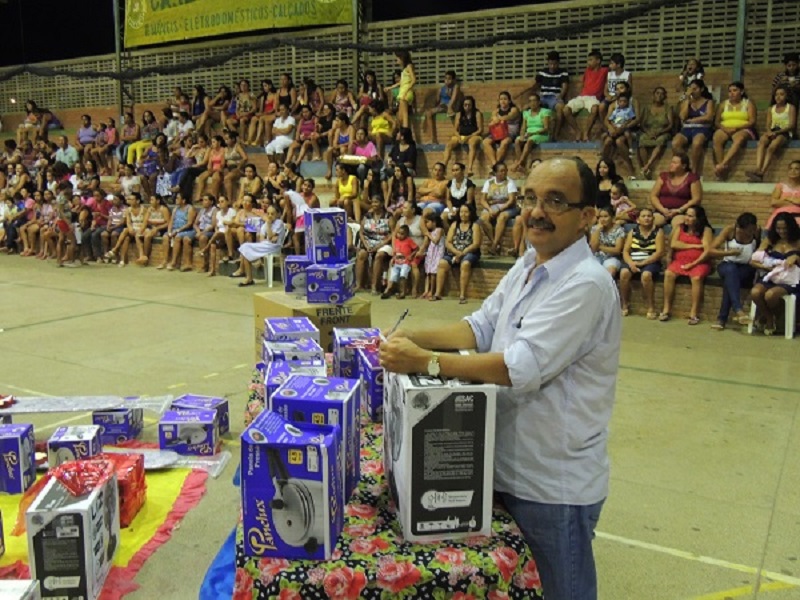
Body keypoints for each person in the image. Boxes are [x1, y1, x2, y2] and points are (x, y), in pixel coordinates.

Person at [380, 157, 620, 600]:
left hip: (552, 487)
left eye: (555, 201)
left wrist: (426, 362)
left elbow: (518, 366)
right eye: (530, 198)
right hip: (505, 469)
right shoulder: (531, 262)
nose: (536, 211)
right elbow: (480, 326)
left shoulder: (585, 284)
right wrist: (408, 335)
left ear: (587, 216)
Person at [659, 205, 714, 324]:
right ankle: (666, 309)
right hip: (680, 261)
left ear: (698, 218)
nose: (686, 218)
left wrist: (693, 263)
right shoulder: (680, 228)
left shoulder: (706, 230)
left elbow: (706, 250)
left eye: (690, 216)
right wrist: (695, 245)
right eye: (686, 215)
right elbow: (674, 244)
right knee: (668, 273)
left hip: (699, 262)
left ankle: (694, 313)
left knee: (696, 278)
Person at [749, 212, 800, 336]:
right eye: (778, 228)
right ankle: (769, 317)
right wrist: (767, 267)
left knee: (770, 296)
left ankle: (771, 318)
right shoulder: (770, 240)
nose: (781, 231)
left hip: (789, 279)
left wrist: (796, 257)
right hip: (771, 276)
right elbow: (753, 261)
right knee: (755, 292)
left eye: (784, 228)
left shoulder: (798, 241)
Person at [709, 212, 759, 330]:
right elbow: (710, 250)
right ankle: (738, 310)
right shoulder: (730, 231)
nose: (748, 233)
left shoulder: (756, 231)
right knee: (731, 272)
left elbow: (759, 250)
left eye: (751, 230)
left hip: (746, 267)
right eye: (745, 230)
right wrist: (729, 253)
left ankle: (722, 319)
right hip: (727, 264)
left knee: (730, 281)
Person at [619, 207, 664, 318]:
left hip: (651, 262)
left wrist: (643, 263)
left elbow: (659, 252)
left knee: (646, 275)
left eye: (649, 216)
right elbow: (625, 251)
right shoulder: (633, 231)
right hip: (633, 261)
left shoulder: (658, 232)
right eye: (643, 216)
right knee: (624, 273)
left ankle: (651, 307)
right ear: (638, 220)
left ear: (653, 219)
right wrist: (631, 263)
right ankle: (625, 304)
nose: (646, 218)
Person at [433, 203, 482, 303]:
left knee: (465, 264)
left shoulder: (475, 226)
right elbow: (448, 242)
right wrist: (456, 252)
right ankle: (437, 293)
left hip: (469, 251)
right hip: (454, 251)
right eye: (461, 212)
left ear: (470, 213)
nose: (463, 214)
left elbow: (476, 243)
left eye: (466, 212)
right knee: (442, 263)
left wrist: (462, 253)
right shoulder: (454, 225)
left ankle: (462, 295)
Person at [747, 85, 796, 182]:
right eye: (776, 94)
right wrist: (769, 132)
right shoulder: (771, 108)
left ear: (786, 96)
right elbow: (768, 124)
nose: (778, 97)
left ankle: (762, 173)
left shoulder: (790, 107)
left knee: (771, 147)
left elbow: (791, 125)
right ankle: (757, 168)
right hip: (773, 131)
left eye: (781, 94)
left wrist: (777, 132)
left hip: (784, 132)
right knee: (761, 142)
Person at [712, 81, 757, 180]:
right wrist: (725, 129)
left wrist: (737, 128)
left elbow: (752, 121)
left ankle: (723, 165)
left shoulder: (748, 103)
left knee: (739, 139)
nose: (731, 93)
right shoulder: (723, 104)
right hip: (725, 128)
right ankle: (722, 167)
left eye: (735, 90)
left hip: (743, 128)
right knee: (717, 138)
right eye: (730, 91)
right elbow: (717, 122)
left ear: (741, 91)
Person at [562, 50, 609, 142]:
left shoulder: (605, 71)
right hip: (582, 97)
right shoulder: (587, 71)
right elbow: (583, 84)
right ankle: (578, 132)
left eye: (591, 60)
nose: (588, 62)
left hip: (594, 98)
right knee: (566, 110)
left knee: (595, 109)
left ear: (598, 61)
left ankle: (586, 133)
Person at [235, 205, 286, 287]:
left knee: (246, 247)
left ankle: (250, 275)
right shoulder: (265, 224)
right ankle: (249, 278)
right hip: (266, 245)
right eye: (268, 213)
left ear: (277, 214)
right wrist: (270, 237)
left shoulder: (279, 223)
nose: (269, 216)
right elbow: (262, 239)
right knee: (245, 248)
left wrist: (269, 227)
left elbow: (270, 237)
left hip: (274, 247)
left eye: (272, 214)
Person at [671, 80, 715, 174]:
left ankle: (694, 170)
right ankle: (685, 166)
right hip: (687, 128)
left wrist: (693, 120)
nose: (692, 91)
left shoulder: (708, 102)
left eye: (695, 89)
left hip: (702, 128)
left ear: (701, 89)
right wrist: (687, 100)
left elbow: (709, 117)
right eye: (691, 89)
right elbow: (682, 116)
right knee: (675, 143)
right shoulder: (687, 102)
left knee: (697, 143)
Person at [649, 152, 702, 228]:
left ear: (683, 166)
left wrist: (679, 210)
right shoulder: (663, 176)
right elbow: (653, 195)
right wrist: (663, 210)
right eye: (671, 162)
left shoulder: (692, 178)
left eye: (675, 163)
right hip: (662, 211)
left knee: (678, 224)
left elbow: (696, 199)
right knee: (652, 221)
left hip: (682, 212)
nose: (671, 164)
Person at [355, 196, 395, 293]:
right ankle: (359, 285)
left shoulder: (388, 216)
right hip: (368, 242)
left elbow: (393, 233)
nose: (374, 204)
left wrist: (379, 246)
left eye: (376, 202)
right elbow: (361, 232)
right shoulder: (367, 216)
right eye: (372, 202)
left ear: (381, 204)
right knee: (361, 254)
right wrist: (366, 244)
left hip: (384, 243)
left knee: (379, 255)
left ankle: (374, 286)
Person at [479, 162, 518, 256]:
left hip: (508, 207)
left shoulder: (510, 182)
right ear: (495, 173)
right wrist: (489, 209)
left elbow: (511, 200)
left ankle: (494, 246)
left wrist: (499, 209)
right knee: (483, 219)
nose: (504, 173)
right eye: (501, 171)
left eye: (505, 170)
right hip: (492, 206)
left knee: (502, 217)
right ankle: (495, 244)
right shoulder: (489, 182)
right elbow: (482, 200)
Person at [637, 87, 674, 179]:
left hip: (663, 132)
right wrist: (648, 132)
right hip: (649, 131)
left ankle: (647, 166)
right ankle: (647, 169)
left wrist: (660, 132)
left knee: (660, 140)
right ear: (653, 95)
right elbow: (642, 124)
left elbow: (670, 124)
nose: (659, 95)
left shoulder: (668, 108)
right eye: (657, 93)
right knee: (642, 139)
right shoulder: (647, 108)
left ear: (665, 96)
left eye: (662, 94)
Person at [443, 96, 483, 177]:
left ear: (472, 105)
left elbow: (480, 130)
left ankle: (470, 169)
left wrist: (469, 137)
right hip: (461, 135)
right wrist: (458, 137)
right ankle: (443, 167)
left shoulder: (477, 113)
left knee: (472, 143)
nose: (467, 107)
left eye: (469, 105)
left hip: (474, 135)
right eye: (465, 105)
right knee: (449, 145)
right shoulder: (459, 114)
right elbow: (455, 130)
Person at [532, 50, 569, 139]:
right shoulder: (542, 72)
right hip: (543, 97)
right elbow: (536, 86)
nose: (552, 66)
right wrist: (537, 95)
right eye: (550, 64)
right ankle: (532, 133)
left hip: (554, 97)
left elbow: (565, 87)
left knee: (560, 108)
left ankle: (555, 134)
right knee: (528, 107)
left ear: (558, 63)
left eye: (554, 64)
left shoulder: (563, 72)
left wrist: (560, 96)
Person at [512, 93, 552, 173]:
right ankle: (520, 163)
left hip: (541, 134)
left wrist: (533, 133)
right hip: (528, 134)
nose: (532, 103)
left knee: (529, 140)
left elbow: (546, 128)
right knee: (517, 141)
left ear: (539, 102)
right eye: (530, 101)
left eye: (534, 101)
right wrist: (522, 135)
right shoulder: (526, 113)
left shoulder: (545, 112)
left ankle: (520, 162)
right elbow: (523, 127)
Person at [482, 91, 522, 167]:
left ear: (509, 101)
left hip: (510, 132)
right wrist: (495, 119)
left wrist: (497, 119)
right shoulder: (496, 111)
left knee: (504, 143)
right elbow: (492, 120)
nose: (503, 101)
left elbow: (507, 117)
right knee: (485, 142)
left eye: (505, 99)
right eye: (501, 99)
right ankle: (495, 164)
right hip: (498, 133)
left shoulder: (514, 110)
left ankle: (495, 167)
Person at [423, 70, 462, 143]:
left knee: (452, 113)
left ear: (453, 80)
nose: (447, 81)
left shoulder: (456, 87)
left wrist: (449, 96)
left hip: (453, 107)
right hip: (443, 107)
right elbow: (437, 101)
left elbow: (455, 99)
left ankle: (458, 135)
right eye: (446, 78)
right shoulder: (441, 89)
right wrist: (438, 97)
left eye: (449, 79)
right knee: (428, 113)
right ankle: (432, 139)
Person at [381, 224, 418, 299]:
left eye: (402, 234)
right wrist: (393, 259)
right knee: (392, 277)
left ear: (407, 234)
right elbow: (395, 252)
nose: (399, 235)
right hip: (397, 262)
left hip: (405, 262)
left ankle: (402, 292)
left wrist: (411, 255)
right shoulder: (396, 241)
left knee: (403, 276)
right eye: (398, 233)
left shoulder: (409, 241)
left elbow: (416, 248)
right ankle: (388, 290)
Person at [590, 206, 625, 278]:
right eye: (601, 217)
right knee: (591, 272)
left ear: (612, 218)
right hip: (596, 256)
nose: (603, 219)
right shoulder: (595, 229)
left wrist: (599, 247)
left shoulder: (619, 230)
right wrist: (598, 230)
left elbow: (617, 250)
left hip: (611, 258)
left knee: (610, 273)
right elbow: (593, 248)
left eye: (606, 216)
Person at [442, 162, 476, 230]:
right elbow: (448, 200)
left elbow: (469, 201)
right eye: (453, 170)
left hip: (465, 208)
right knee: (443, 217)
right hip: (453, 208)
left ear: (462, 171)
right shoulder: (450, 183)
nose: (455, 172)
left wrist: (459, 210)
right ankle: (449, 234)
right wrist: (451, 210)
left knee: (462, 215)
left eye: (457, 170)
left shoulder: (469, 183)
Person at [766, 160, 800, 228]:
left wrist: (786, 198)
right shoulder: (780, 186)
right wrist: (795, 202)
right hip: (779, 218)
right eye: (791, 168)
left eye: (797, 169)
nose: (793, 171)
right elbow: (773, 202)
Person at [420, 212, 445, 299]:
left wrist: (428, 235)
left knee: (433, 273)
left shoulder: (439, 230)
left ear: (434, 222)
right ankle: (426, 290)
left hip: (437, 253)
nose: (427, 224)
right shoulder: (431, 232)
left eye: (428, 222)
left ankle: (432, 290)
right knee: (428, 272)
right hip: (431, 253)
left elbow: (436, 241)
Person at [395, 51, 416, 128]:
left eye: (398, 58)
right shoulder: (404, 70)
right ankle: (401, 133)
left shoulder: (409, 66)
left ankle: (406, 135)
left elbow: (413, 80)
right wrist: (389, 87)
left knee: (404, 116)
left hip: (405, 92)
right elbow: (401, 82)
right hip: (402, 92)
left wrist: (406, 91)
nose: (396, 60)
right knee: (400, 117)